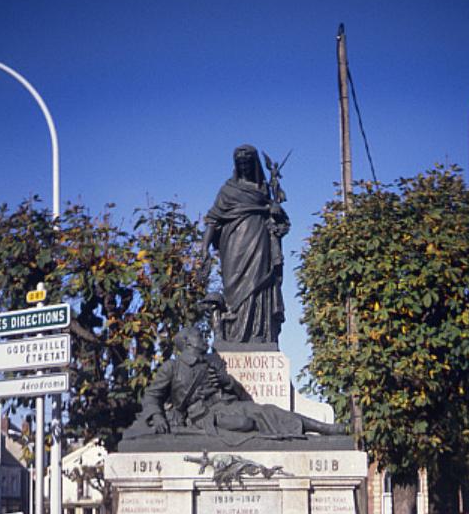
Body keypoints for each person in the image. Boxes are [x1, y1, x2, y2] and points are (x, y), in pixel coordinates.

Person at [127, 327, 345, 444]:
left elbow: (241, 394)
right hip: (203, 417)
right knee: (245, 423)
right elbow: (151, 397)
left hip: (229, 405)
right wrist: (156, 416)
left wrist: (227, 381)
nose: (204, 338)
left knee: (267, 410)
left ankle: (323, 429)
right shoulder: (172, 368)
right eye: (198, 335)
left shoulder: (213, 362)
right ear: (187, 342)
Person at [201, 145, 290, 346]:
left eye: (247, 163)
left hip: (259, 240)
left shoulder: (263, 189)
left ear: (254, 164)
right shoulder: (228, 190)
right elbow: (213, 219)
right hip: (233, 243)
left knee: (259, 284)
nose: (244, 167)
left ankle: (259, 333)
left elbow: (277, 218)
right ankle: (234, 333)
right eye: (240, 164)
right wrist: (204, 247)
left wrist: (275, 210)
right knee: (234, 287)